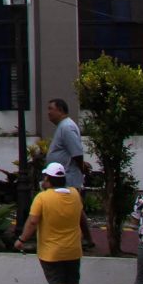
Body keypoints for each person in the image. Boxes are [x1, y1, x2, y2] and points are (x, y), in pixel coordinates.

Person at [16, 159, 86, 284]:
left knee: (57, 281)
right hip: (73, 248)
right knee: (73, 280)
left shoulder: (43, 198)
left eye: (45, 178)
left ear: (48, 180)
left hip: (51, 250)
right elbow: (82, 217)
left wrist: (21, 239)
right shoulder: (75, 194)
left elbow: (32, 222)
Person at [46, 98, 91, 249]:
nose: (49, 112)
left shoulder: (66, 127)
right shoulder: (63, 127)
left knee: (75, 207)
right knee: (74, 207)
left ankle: (86, 237)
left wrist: (81, 166)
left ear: (60, 110)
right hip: (65, 174)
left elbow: (76, 152)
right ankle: (83, 237)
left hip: (68, 175)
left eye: (51, 109)